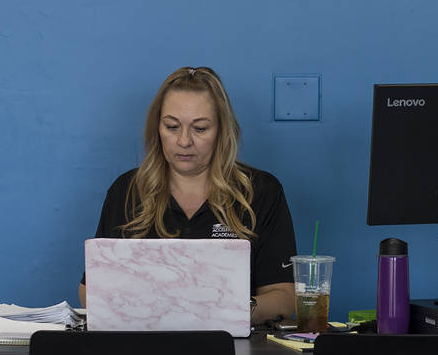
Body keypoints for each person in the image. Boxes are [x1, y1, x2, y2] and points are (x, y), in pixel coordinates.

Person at [78, 66, 297, 324]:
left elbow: (285, 297)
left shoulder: (261, 191)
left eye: (200, 129)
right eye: (172, 126)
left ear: (222, 131)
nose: (184, 141)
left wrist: (224, 310)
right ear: (157, 129)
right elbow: (90, 291)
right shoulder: (127, 190)